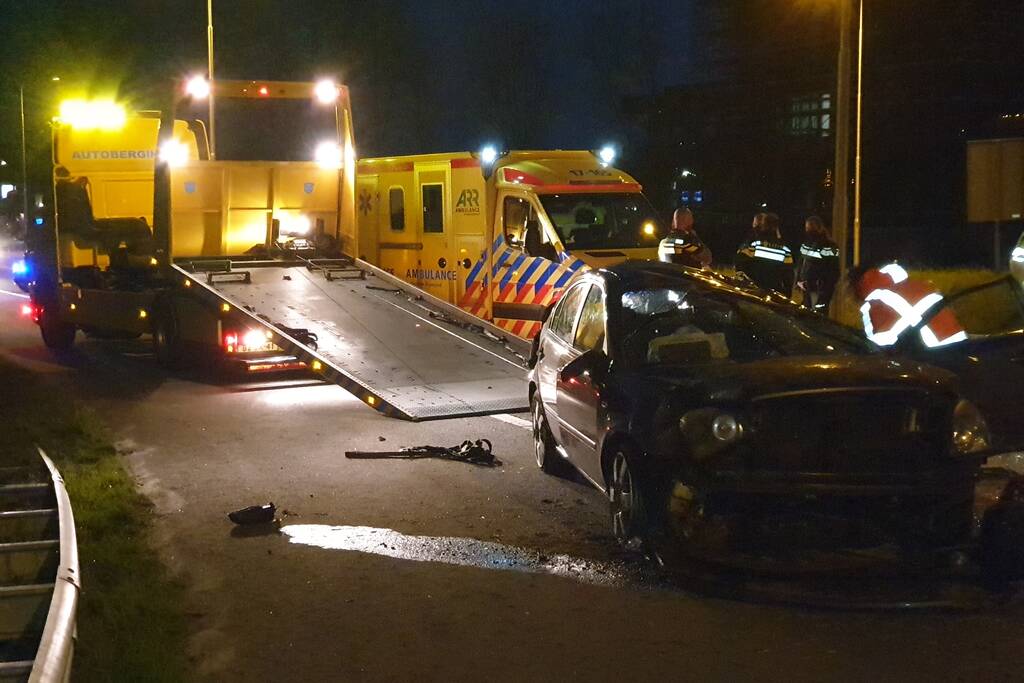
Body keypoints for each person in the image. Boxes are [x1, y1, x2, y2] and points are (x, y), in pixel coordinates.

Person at [849, 262, 967, 348]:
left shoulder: (875, 305)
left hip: (932, 360)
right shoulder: (921, 286)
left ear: (862, 282)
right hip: (961, 347)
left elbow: (876, 351)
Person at [735, 212, 793, 295]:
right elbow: (788, 275)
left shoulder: (755, 244)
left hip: (754, 291)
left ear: (763, 225)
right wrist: (787, 293)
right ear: (777, 227)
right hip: (773, 292)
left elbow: (740, 264)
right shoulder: (784, 250)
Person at [794, 215, 840, 313]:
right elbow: (801, 263)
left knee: (818, 315)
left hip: (819, 290)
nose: (808, 230)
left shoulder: (828, 246)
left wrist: (823, 287)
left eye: (810, 227)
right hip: (806, 288)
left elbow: (832, 270)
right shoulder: (806, 244)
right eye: (807, 228)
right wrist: (798, 280)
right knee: (806, 314)